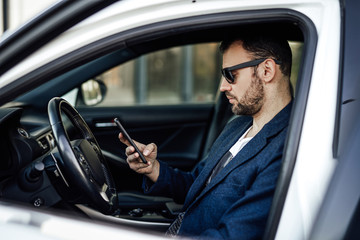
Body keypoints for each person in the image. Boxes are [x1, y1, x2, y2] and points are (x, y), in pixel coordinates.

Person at [119, 33, 293, 239]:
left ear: (267, 70)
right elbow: (198, 185)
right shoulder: (238, 126)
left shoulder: (287, 147)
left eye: (231, 75)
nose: (223, 86)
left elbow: (233, 235)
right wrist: (153, 169)